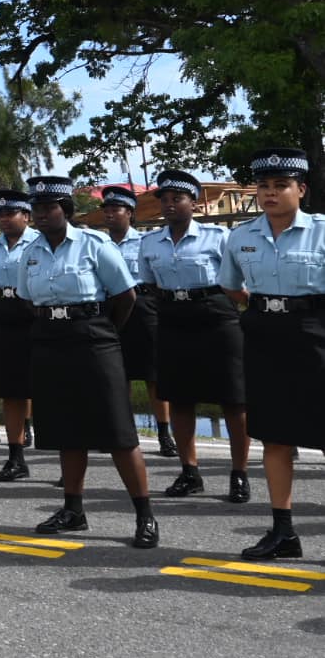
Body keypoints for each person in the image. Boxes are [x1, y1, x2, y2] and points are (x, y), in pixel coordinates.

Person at [18, 175, 157, 548]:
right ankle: (73, 510)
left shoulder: (93, 245)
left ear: (66, 210)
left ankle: (144, 514)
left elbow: (125, 296)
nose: (42, 215)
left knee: (118, 432)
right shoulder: (30, 252)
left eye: (49, 208)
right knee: (66, 429)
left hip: (95, 338)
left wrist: (103, 330)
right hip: (50, 340)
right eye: (37, 209)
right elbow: (27, 298)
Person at [218, 147, 325, 560]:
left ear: (301, 189)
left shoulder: (320, 231)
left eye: (281, 185)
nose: (270, 193)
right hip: (264, 335)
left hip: (314, 333)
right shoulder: (241, 235)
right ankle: (284, 532)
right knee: (275, 436)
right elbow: (231, 285)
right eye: (263, 186)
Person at [138, 170, 249, 503]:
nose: (170, 205)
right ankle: (190, 472)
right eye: (165, 200)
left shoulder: (218, 237)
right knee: (180, 398)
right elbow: (149, 284)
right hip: (173, 319)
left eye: (178, 199)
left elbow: (240, 281)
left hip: (216, 316)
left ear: (195, 203)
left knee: (234, 399)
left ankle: (239, 474)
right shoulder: (150, 242)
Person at [101, 185, 176, 459]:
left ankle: (164, 434)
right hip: (111, 308)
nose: (109, 214)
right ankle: (122, 432)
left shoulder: (146, 241)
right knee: (116, 375)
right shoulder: (100, 243)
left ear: (129, 213)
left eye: (115, 209)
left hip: (144, 308)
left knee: (153, 374)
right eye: (106, 209)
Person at [0, 189, 41, 482]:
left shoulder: (39, 244)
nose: (3, 219)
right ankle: (16, 456)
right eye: (0, 215)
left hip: (32, 316)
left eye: (10, 213)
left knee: (45, 387)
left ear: (26, 216)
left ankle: (67, 455)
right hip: (1, 319)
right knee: (9, 390)